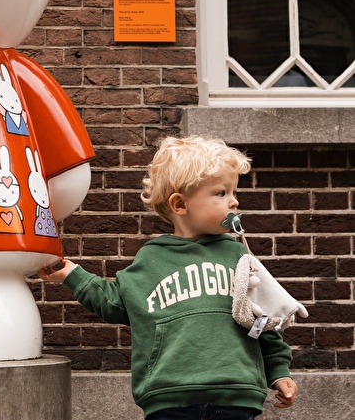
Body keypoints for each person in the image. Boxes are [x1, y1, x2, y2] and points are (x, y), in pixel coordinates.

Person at [39, 136, 298, 419]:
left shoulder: (240, 258)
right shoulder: (152, 259)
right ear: (180, 204)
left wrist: (278, 371)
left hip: (236, 393)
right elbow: (115, 302)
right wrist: (72, 274)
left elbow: (264, 319)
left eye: (234, 191)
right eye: (221, 193)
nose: (234, 201)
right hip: (170, 397)